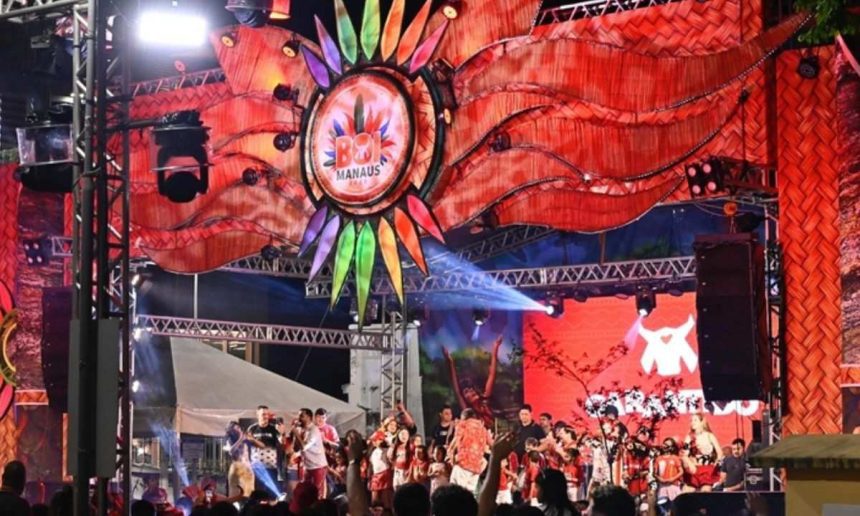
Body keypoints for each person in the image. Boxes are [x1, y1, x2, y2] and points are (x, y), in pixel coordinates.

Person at [442, 335, 504, 427]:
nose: (471, 392)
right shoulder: (467, 410)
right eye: (467, 391)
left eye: (471, 389)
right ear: (465, 398)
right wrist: (450, 362)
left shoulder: (485, 400)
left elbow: (492, 375)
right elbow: (457, 391)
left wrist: (495, 349)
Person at [448, 408, 492, 493]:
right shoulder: (483, 429)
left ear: (464, 416)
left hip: (463, 464)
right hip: (476, 468)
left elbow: (454, 444)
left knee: (455, 494)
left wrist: (451, 456)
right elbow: (491, 445)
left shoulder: (463, 424)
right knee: (469, 495)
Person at [293, 407, 329, 499]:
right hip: (307, 466)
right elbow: (296, 449)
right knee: (306, 491)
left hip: (318, 466)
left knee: (316, 492)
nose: (299, 418)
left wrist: (296, 433)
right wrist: (296, 435)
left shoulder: (314, 430)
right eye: (299, 415)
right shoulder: (301, 429)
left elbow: (304, 447)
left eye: (301, 416)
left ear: (309, 417)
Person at [246, 405, 283, 493]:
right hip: (256, 467)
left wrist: (282, 434)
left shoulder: (273, 429)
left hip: (270, 467)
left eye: (267, 414)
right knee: (257, 493)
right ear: (257, 414)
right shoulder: (252, 428)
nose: (266, 416)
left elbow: (281, 443)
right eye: (263, 414)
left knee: (271, 493)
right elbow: (247, 447)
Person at [684, 413, 722, 491]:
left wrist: (715, 464)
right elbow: (684, 454)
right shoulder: (689, 437)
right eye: (691, 420)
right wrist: (690, 463)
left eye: (695, 420)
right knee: (687, 492)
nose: (692, 422)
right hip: (694, 470)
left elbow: (720, 453)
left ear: (701, 422)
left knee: (705, 492)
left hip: (707, 470)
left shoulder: (709, 435)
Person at [225, 421, 255, 498]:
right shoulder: (230, 440)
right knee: (236, 493)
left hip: (247, 467)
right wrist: (240, 438)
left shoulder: (246, 440)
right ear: (231, 431)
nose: (239, 430)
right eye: (236, 428)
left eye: (239, 428)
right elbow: (231, 451)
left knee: (248, 492)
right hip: (237, 468)